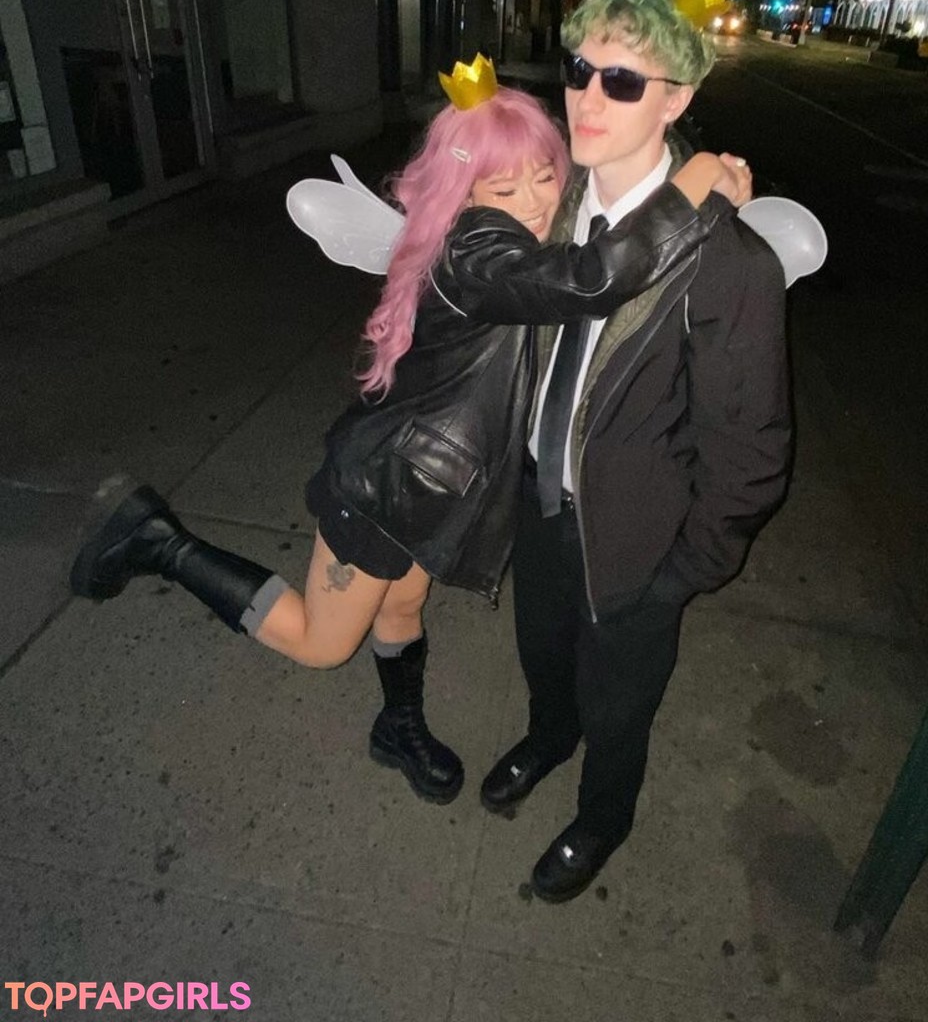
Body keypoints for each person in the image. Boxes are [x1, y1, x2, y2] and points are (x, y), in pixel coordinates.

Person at [69, 66, 751, 810]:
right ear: (467, 196)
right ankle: (158, 541)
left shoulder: (514, 245)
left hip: (432, 489)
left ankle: (398, 727)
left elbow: (591, 247)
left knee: (401, 607)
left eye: (544, 175)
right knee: (321, 642)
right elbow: (593, 278)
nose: (532, 201)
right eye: (504, 187)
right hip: (384, 489)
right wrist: (694, 179)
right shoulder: (477, 252)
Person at [479, 0, 792, 901]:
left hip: (636, 541)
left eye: (622, 81)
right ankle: (548, 736)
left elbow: (752, 456)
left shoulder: (728, 262)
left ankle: (602, 816)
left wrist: (679, 573)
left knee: (619, 704)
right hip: (539, 499)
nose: (588, 96)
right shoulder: (551, 204)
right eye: (580, 69)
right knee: (542, 652)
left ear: (677, 101)